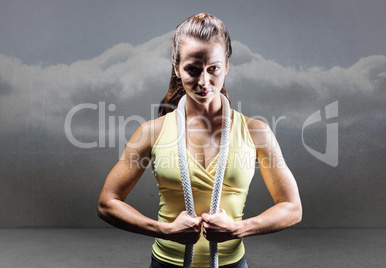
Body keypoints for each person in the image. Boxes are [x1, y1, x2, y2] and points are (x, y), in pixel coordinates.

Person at [97, 13, 302, 268]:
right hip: (167, 263)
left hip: (230, 263)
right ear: (176, 67)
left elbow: (292, 208)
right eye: (193, 70)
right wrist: (164, 230)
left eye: (213, 69)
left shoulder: (255, 131)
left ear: (226, 66)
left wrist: (240, 228)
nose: (204, 82)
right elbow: (107, 203)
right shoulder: (151, 132)